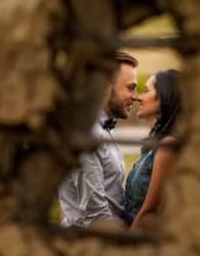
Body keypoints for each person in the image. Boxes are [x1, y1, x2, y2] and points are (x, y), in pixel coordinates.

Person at [59, 51, 140, 227]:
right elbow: (95, 214)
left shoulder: (102, 129)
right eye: (130, 88)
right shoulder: (89, 135)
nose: (136, 96)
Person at [123, 69, 180, 228]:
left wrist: (126, 246)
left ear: (163, 97)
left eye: (146, 91)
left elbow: (150, 211)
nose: (139, 97)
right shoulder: (154, 146)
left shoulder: (168, 145)